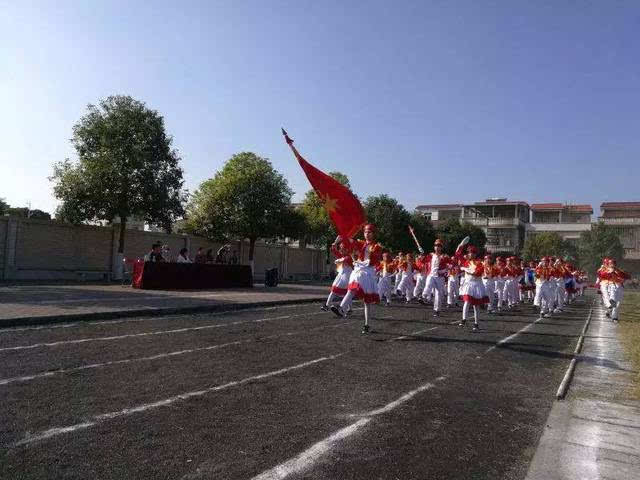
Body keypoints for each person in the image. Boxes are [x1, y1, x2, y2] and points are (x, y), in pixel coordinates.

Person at [331, 223, 383, 334]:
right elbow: (350, 241)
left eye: (369, 232)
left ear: (374, 234)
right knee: (352, 288)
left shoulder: (377, 247)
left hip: (368, 273)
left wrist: (361, 256)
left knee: (367, 302)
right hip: (358, 271)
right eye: (365, 232)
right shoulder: (361, 243)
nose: (367, 234)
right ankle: (341, 308)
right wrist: (343, 235)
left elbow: (373, 261)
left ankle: (367, 325)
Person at [455, 237, 488, 331]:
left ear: (475, 254)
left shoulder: (479, 263)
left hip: (477, 285)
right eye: (469, 252)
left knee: (476, 306)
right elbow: (457, 254)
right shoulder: (466, 262)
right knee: (467, 301)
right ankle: (464, 319)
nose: (470, 254)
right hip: (468, 284)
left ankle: (476, 323)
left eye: (472, 252)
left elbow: (476, 273)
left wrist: (465, 269)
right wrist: (461, 245)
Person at [419, 238, 449, 317]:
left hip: (440, 277)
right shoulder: (430, 255)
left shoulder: (445, 257)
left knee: (439, 294)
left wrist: (443, 271)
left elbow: (450, 266)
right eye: (436, 245)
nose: (437, 247)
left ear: (441, 247)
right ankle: (423, 297)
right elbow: (423, 260)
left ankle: (437, 310)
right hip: (431, 275)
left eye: (439, 246)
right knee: (428, 285)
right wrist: (421, 253)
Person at [322, 239, 354, 312]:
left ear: (347, 249)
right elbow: (335, 252)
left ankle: (349, 309)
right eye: (341, 249)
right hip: (341, 276)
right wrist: (334, 246)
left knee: (347, 294)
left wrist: (338, 260)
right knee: (336, 291)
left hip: (347, 278)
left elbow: (345, 259)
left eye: (343, 249)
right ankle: (327, 305)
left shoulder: (349, 257)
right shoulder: (343, 255)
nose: (341, 250)